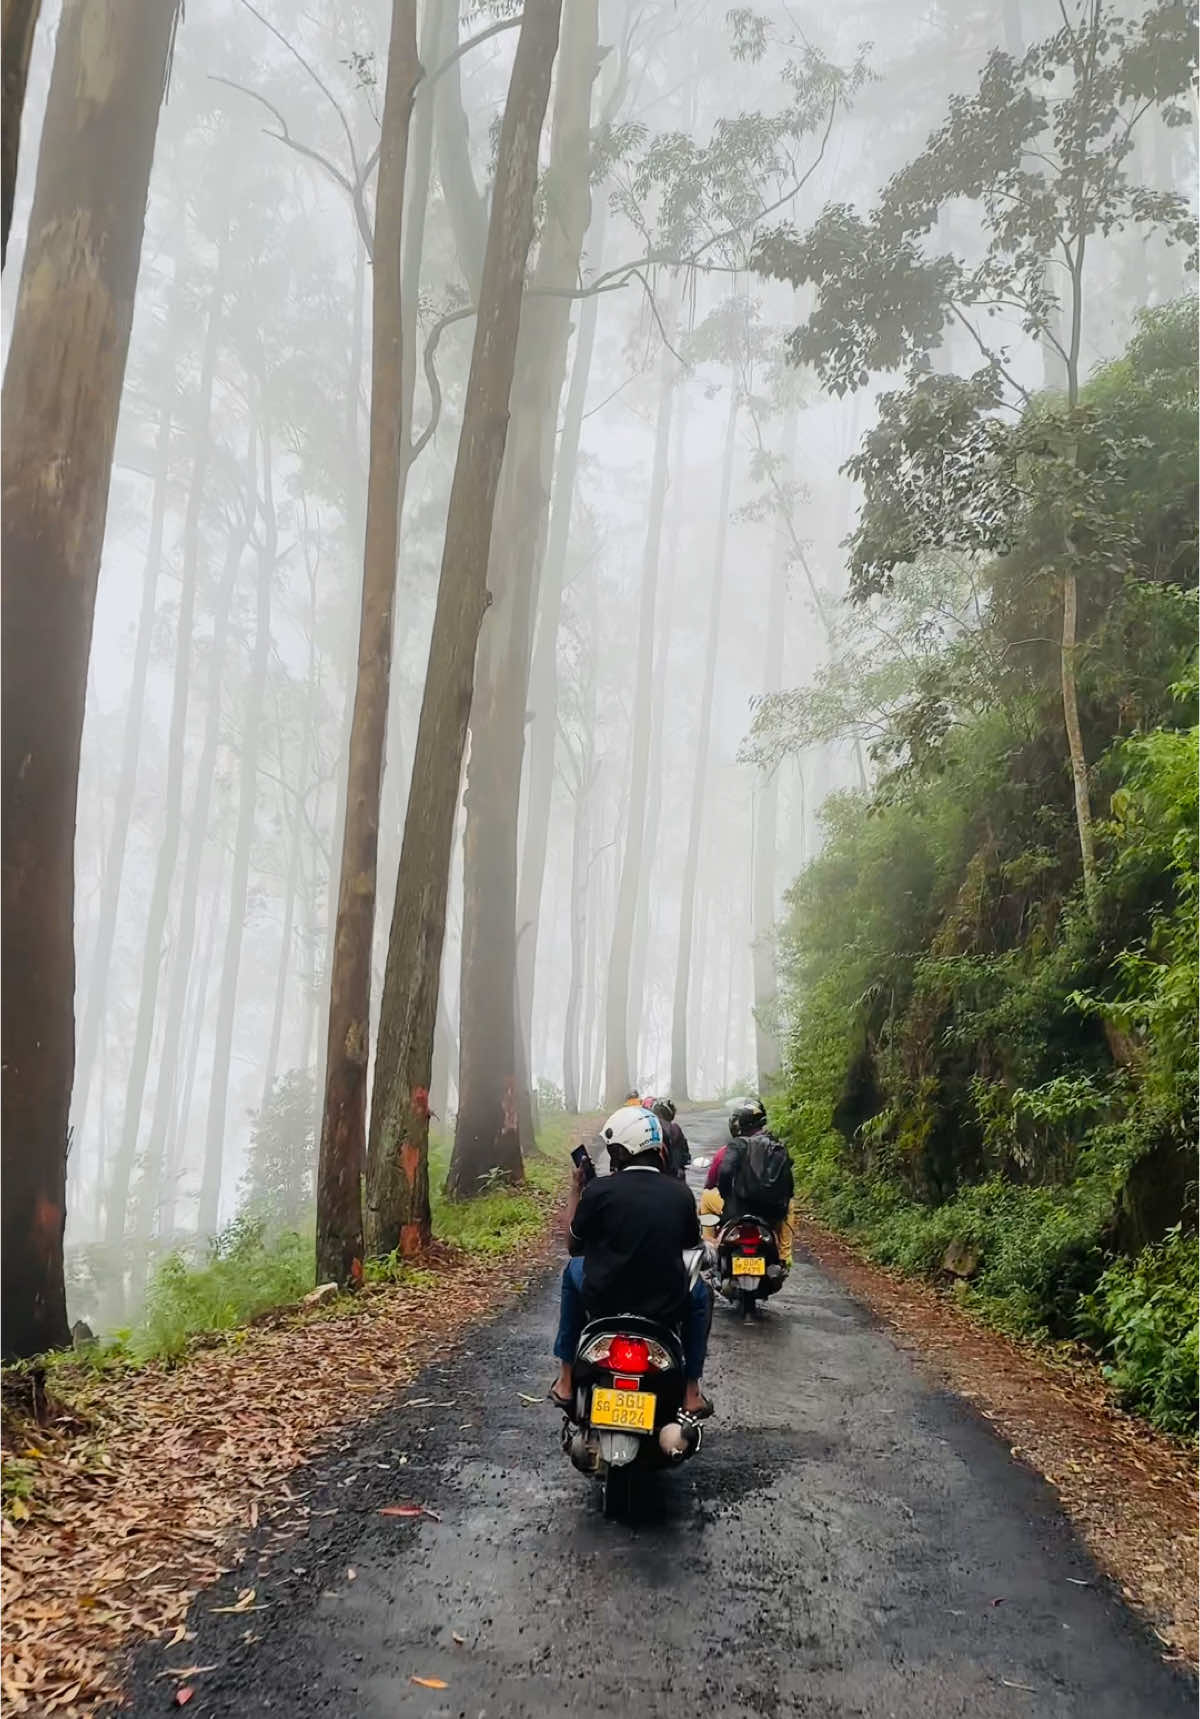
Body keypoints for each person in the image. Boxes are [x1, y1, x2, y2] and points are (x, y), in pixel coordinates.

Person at [550, 1105, 713, 1419]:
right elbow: (691, 1246)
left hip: (604, 1302)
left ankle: (566, 1379)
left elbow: (573, 1247)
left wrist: (577, 1188)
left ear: (622, 1151)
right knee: (701, 1293)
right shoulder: (679, 1194)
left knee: (571, 1270)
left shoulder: (598, 1191)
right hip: (664, 1305)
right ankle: (691, 1391)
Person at [717, 1098, 796, 1264]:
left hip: (741, 1209)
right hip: (772, 1214)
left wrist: (726, 1197)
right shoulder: (777, 1145)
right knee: (789, 1212)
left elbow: (725, 1172)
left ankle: (712, 1251)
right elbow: (789, 1185)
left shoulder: (738, 1144)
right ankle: (785, 1256)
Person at [653, 1098, 690, 1180]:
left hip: (656, 1178)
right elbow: (686, 1156)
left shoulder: (650, 1128)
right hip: (675, 1177)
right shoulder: (675, 1129)